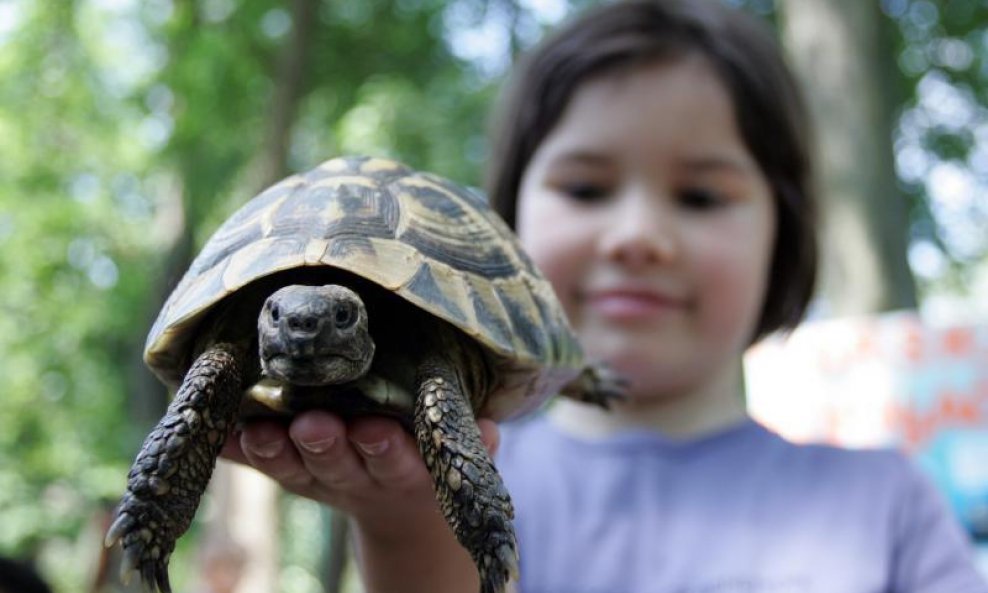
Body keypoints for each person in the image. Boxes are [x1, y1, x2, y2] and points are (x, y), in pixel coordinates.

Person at [221, 1, 988, 591]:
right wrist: (403, 519)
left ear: (785, 236)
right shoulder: (451, 465)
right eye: (586, 187)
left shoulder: (885, 502)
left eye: (700, 196)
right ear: (503, 231)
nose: (637, 235)